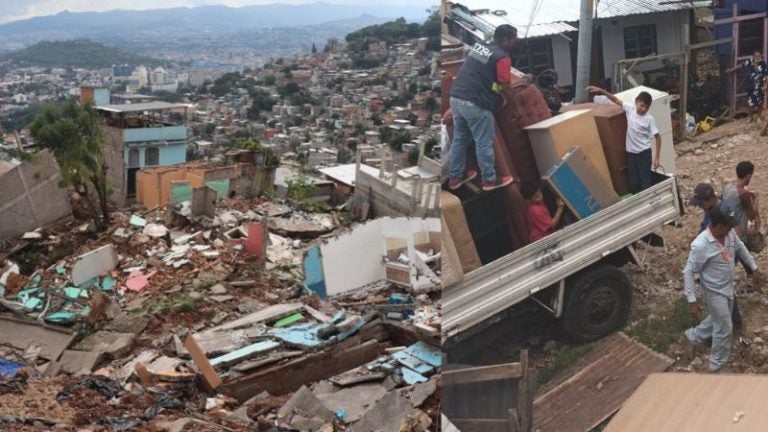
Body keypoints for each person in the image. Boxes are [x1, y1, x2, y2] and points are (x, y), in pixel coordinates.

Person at [683, 207, 763, 373]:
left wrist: (754, 268)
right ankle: (716, 367)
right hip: (713, 292)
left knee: (718, 319)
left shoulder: (729, 234)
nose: (731, 230)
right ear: (718, 226)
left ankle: (693, 336)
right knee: (725, 327)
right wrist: (692, 300)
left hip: (728, 287)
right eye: (728, 226)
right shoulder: (701, 245)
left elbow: (740, 248)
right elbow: (689, 271)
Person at [448, 24, 518, 192]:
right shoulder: (502, 57)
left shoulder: (480, 47)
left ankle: (455, 178)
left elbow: (481, 74)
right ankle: (489, 181)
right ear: (506, 39)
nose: (514, 44)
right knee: (484, 141)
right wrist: (514, 105)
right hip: (475, 103)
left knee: (460, 139)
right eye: (514, 40)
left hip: (456, 97)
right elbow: (505, 85)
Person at [586, 86, 661, 194]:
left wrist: (657, 157)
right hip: (631, 154)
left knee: (646, 182)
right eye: (642, 106)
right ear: (636, 102)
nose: (643, 109)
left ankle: (649, 204)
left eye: (647, 107)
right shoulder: (630, 109)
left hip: (644, 153)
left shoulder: (649, 119)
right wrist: (601, 91)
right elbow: (615, 99)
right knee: (633, 183)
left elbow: (658, 137)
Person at [690, 183, 743, 329]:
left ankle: (725, 323)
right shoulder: (711, 210)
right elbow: (705, 229)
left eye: (701, 203)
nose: (700, 207)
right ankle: (732, 320)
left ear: (710, 199)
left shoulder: (725, 210)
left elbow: (736, 232)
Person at [722, 161, 760, 243]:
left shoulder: (728, 187)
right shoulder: (743, 194)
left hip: (726, 230)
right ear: (748, 176)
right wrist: (756, 198)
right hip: (739, 235)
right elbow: (752, 215)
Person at [726, 50, 767, 123]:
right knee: (751, 103)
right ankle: (750, 117)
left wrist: (765, 85)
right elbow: (740, 65)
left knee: (760, 103)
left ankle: (759, 117)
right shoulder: (748, 62)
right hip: (750, 86)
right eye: (756, 56)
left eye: (759, 56)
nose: (758, 57)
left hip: (759, 86)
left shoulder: (763, 64)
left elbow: (766, 75)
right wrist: (731, 69)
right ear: (753, 56)